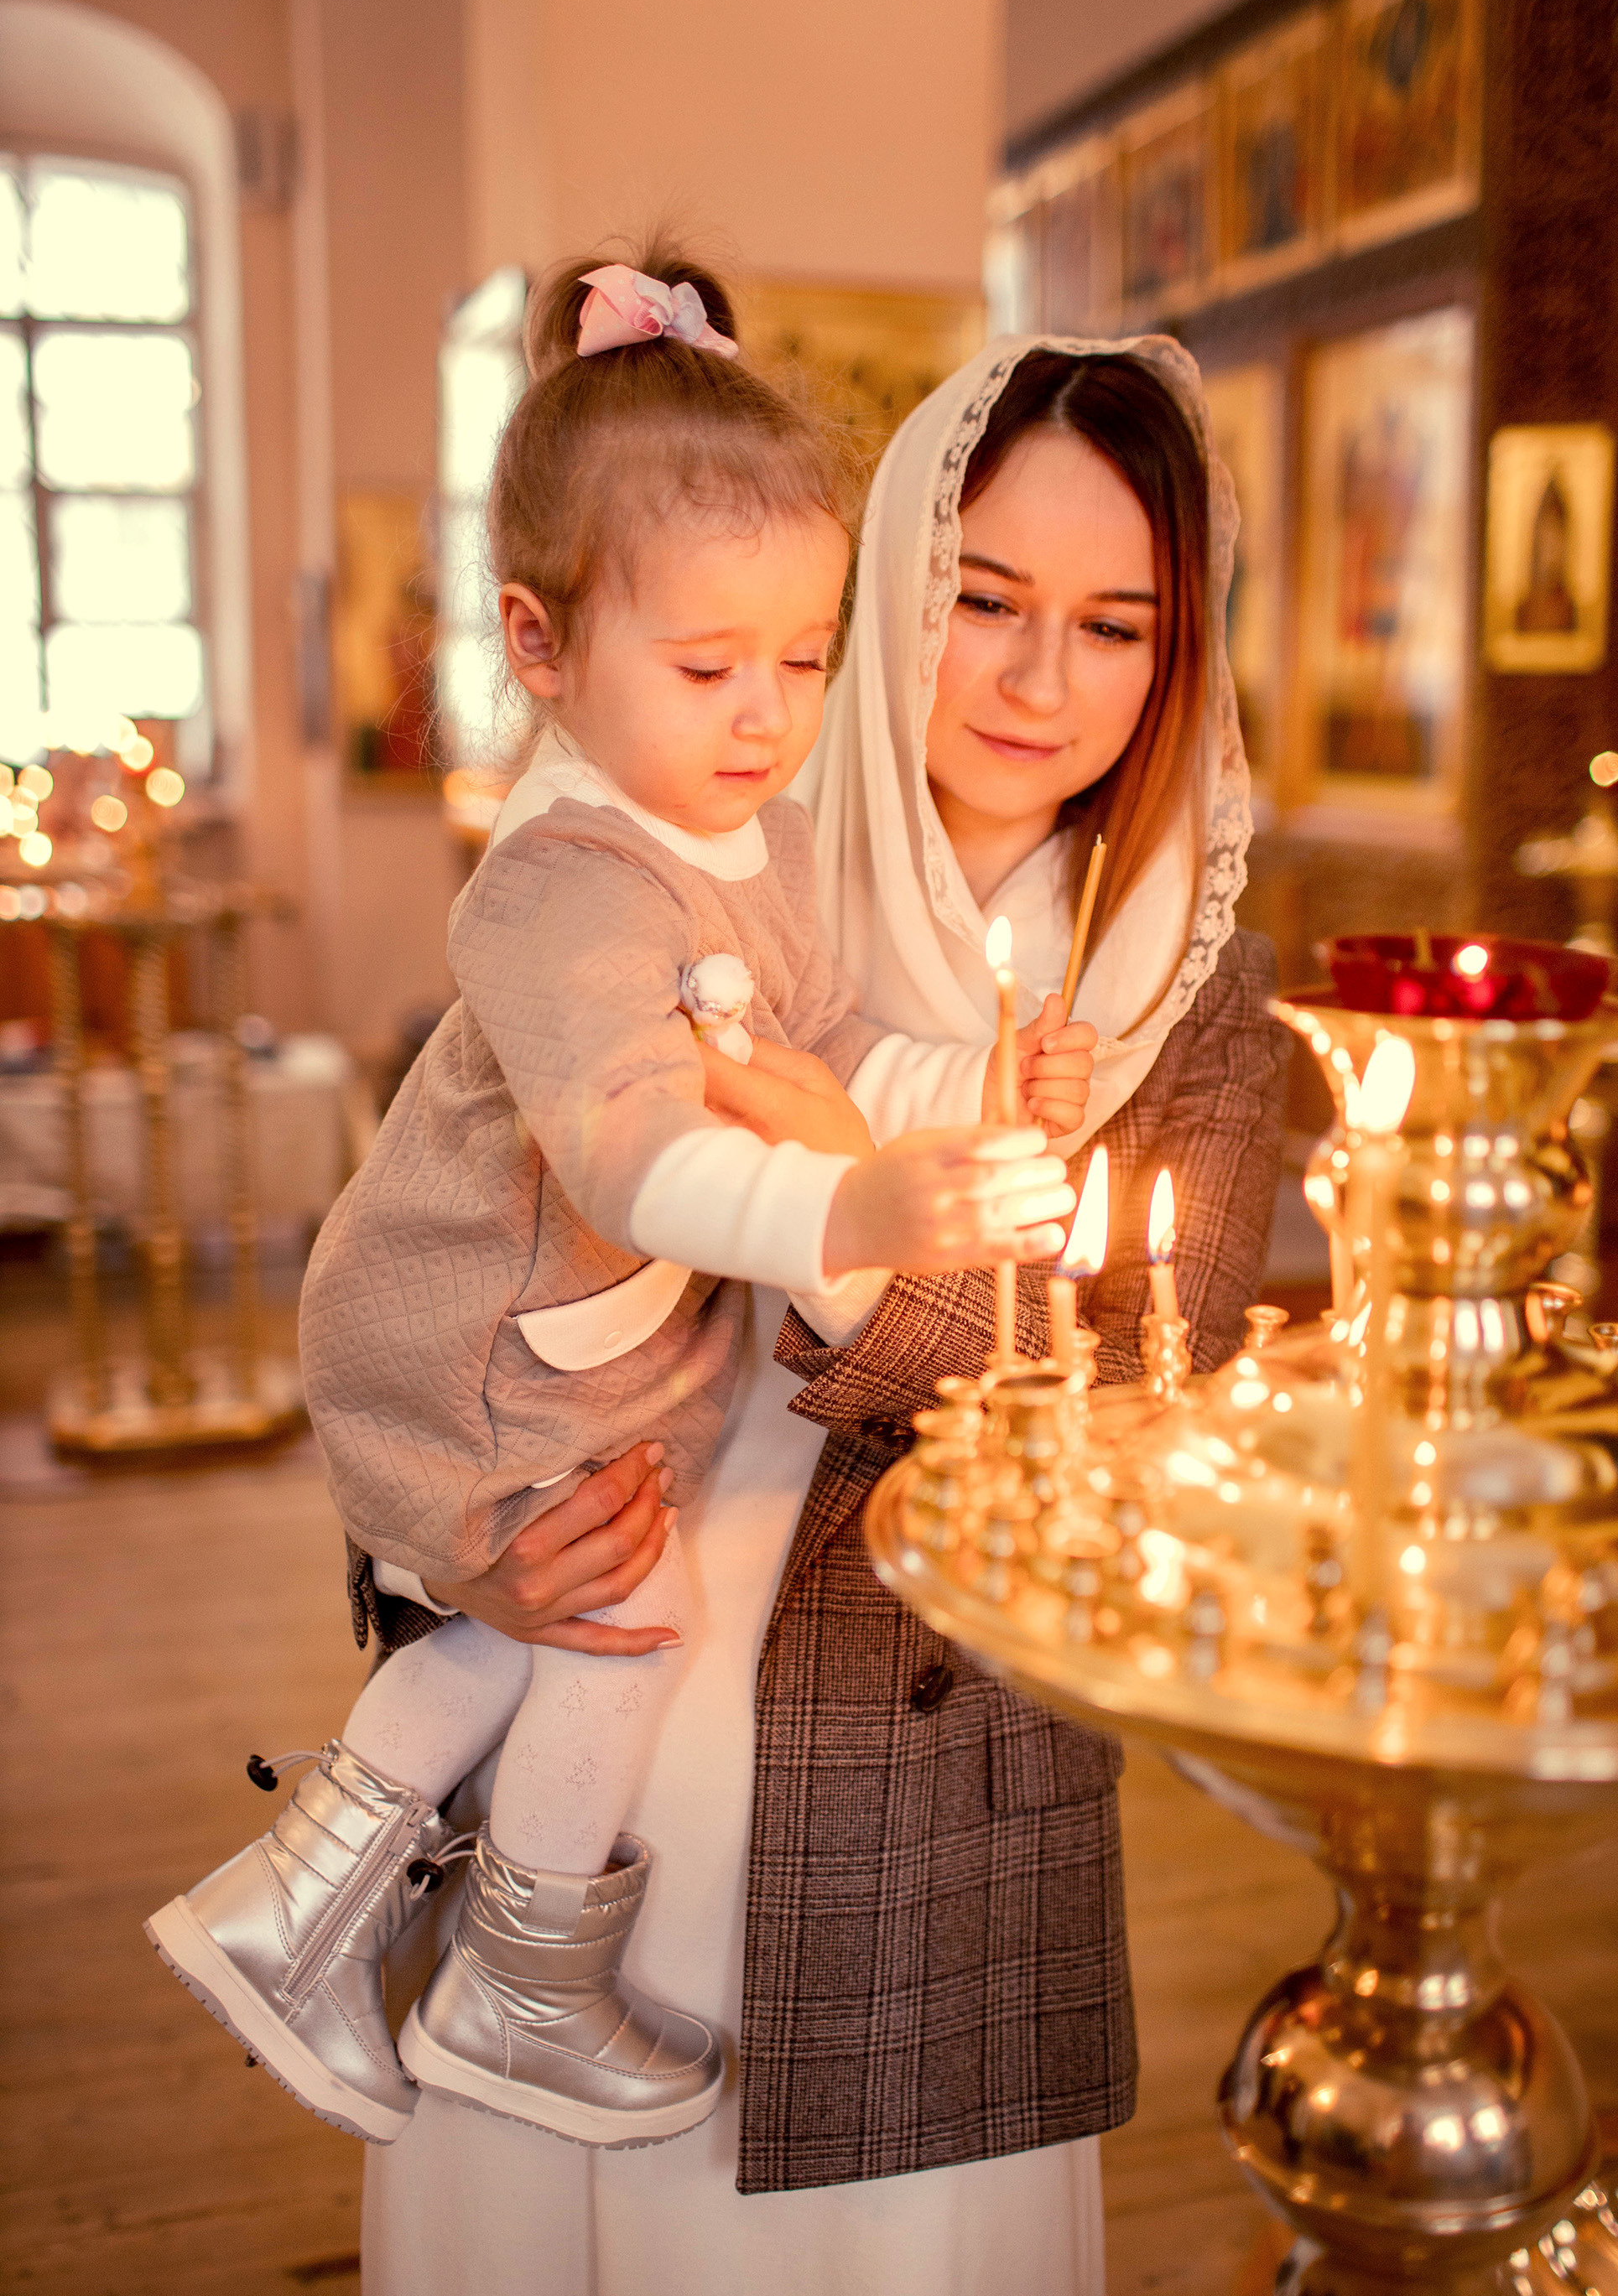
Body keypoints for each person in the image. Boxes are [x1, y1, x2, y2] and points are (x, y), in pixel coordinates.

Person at [355, 330, 1289, 2296]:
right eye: (984, 600)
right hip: (607, 1687)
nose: (1041, 683)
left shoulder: (1185, 986)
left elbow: (1151, 1366)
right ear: (887, 587)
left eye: (1114, 625)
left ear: (1177, 656)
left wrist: (861, 1252)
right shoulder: (694, 863)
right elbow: (439, 1266)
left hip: (933, 1763)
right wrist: (450, 1554)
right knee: (588, 2281)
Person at [143, 251, 1091, 2156]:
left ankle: (293, 1904)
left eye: (807, 661)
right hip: (475, 1318)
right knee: (625, 1601)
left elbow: (822, 1049)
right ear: (544, 641)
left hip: (590, 1336)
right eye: (710, 665)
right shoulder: (563, 879)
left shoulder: (772, 838)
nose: (766, 713)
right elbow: (637, 1151)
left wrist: (963, 1098)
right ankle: (520, 1981)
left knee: (549, 1608)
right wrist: (859, 1211)